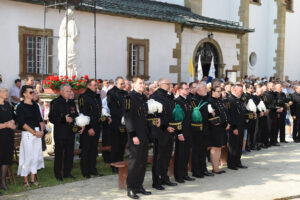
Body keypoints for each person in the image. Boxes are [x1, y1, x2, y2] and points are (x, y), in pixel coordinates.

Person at [125, 76, 153, 199]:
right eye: (140, 83)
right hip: (136, 135)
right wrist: (133, 135)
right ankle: (130, 188)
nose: (143, 85)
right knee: (134, 162)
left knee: (142, 161)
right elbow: (128, 118)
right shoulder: (129, 98)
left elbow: (145, 117)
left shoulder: (143, 97)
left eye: (143, 83)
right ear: (134, 84)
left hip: (144, 134)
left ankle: (139, 186)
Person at [151, 78, 177, 190]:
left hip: (171, 130)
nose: (170, 85)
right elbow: (155, 117)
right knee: (158, 157)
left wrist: (173, 126)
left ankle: (164, 178)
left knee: (167, 156)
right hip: (161, 131)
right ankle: (156, 181)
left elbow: (172, 113)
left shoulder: (168, 96)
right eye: (168, 83)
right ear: (161, 84)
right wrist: (165, 127)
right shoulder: (155, 97)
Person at [16, 85, 44, 188]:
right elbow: (22, 123)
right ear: (24, 94)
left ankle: (32, 179)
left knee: (35, 156)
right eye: (30, 92)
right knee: (27, 157)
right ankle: (25, 180)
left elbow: (40, 120)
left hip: (37, 132)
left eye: (33, 92)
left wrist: (41, 131)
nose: (33, 94)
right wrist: (34, 132)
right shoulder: (20, 107)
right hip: (28, 133)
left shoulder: (35, 105)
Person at [49, 84, 79, 181]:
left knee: (69, 153)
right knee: (59, 154)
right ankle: (58, 174)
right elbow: (52, 118)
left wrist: (73, 119)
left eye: (70, 91)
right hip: (60, 133)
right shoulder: (55, 102)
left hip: (70, 132)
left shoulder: (71, 102)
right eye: (67, 91)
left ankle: (67, 172)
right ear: (61, 91)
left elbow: (76, 114)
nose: (69, 93)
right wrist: (64, 119)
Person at [78, 79, 103, 178]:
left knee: (93, 150)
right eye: (94, 85)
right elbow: (83, 113)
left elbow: (98, 112)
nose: (96, 87)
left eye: (97, 85)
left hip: (96, 127)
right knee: (86, 150)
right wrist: (89, 128)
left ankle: (93, 169)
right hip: (88, 128)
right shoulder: (83, 97)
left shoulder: (96, 97)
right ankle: (85, 171)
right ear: (88, 86)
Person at [190, 82, 214, 178]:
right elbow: (195, 113)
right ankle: (196, 171)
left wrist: (211, 113)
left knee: (204, 150)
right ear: (199, 90)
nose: (206, 90)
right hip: (196, 129)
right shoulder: (193, 100)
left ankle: (203, 169)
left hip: (205, 128)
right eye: (204, 88)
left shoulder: (207, 99)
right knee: (197, 150)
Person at [174, 82, 195, 183]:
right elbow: (176, 119)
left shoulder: (189, 100)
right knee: (180, 154)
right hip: (181, 131)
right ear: (180, 90)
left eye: (188, 89)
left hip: (189, 131)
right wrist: (179, 133)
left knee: (186, 154)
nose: (188, 90)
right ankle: (178, 176)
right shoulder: (176, 101)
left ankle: (185, 173)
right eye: (186, 89)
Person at [107, 76, 128, 173]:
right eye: (121, 83)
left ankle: (121, 163)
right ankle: (114, 165)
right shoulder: (111, 93)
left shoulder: (126, 93)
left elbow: (128, 107)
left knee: (122, 144)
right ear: (116, 83)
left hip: (125, 123)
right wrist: (122, 116)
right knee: (115, 145)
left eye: (124, 83)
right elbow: (113, 108)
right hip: (116, 123)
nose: (123, 85)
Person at [208, 85, 229, 173]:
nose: (219, 93)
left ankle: (217, 166)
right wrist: (223, 123)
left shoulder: (220, 100)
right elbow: (212, 115)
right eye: (218, 91)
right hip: (215, 127)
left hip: (222, 127)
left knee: (219, 147)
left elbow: (224, 113)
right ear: (212, 92)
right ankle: (215, 167)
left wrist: (226, 123)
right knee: (215, 147)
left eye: (220, 91)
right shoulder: (210, 101)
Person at [227, 84, 248, 170]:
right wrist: (234, 127)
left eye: (242, 90)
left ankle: (237, 161)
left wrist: (249, 115)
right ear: (235, 90)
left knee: (239, 145)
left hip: (241, 125)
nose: (242, 92)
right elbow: (230, 115)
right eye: (240, 91)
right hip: (235, 127)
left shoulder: (240, 100)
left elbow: (243, 111)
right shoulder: (229, 100)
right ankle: (231, 163)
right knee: (233, 146)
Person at [0, 87, 16, 191]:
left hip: (8, 136)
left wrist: (14, 124)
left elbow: (13, 119)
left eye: (7, 91)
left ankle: (3, 182)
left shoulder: (8, 105)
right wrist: (6, 125)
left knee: (6, 159)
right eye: (4, 91)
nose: (7, 92)